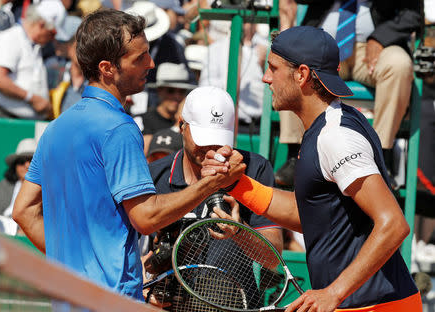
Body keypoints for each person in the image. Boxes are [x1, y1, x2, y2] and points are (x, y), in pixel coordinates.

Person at [12, 8, 244, 303]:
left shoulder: (56, 128)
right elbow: (146, 217)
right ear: (108, 68)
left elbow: (23, 211)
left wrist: (73, 267)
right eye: (140, 58)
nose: (151, 62)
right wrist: (212, 184)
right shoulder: (119, 128)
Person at [203, 26, 422, 311]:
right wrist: (237, 185)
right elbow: (308, 211)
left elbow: (393, 224)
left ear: (302, 74)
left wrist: (333, 292)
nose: (266, 77)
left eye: (273, 68)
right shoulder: (327, 129)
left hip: (375, 306)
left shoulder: (336, 137)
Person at [147, 86, 283, 308]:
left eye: (219, 140)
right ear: (182, 125)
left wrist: (239, 232)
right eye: (203, 138)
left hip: (234, 304)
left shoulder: (255, 169)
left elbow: (272, 258)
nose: (211, 148)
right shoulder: (154, 175)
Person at [275, 0, 422, 189]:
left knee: (399, 65)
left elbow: (413, 14)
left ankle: (380, 157)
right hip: (325, 43)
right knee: (295, 62)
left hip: (377, 45)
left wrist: (382, 37)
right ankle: (296, 155)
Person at [0, 1, 67, 120]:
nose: (53, 39)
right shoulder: (12, 38)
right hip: (2, 118)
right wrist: (32, 99)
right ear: (41, 24)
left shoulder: (32, 45)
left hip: (14, 121)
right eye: (52, 33)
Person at [134, 62, 196, 154]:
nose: (177, 96)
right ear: (159, 90)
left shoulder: (190, 125)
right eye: (170, 91)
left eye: (182, 91)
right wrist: (176, 126)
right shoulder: (141, 120)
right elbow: (140, 152)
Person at [0, 138, 36, 228]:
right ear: (15, 166)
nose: (27, 165)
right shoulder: (4, 186)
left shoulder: (48, 190)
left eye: (32, 160)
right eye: (21, 161)